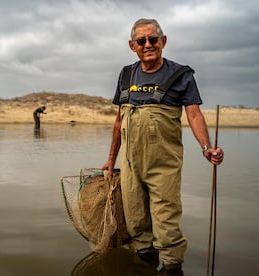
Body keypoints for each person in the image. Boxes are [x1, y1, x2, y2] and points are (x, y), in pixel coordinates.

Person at [102, 18, 224, 276]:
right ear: (132, 45)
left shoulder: (181, 74)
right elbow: (118, 121)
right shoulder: (126, 74)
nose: (148, 45)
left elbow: (194, 115)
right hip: (130, 164)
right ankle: (145, 264)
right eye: (141, 41)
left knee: (166, 223)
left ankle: (172, 267)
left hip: (163, 165)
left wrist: (206, 148)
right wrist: (111, 160)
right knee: (136, 223)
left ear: (163, 41)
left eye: (153, 39)